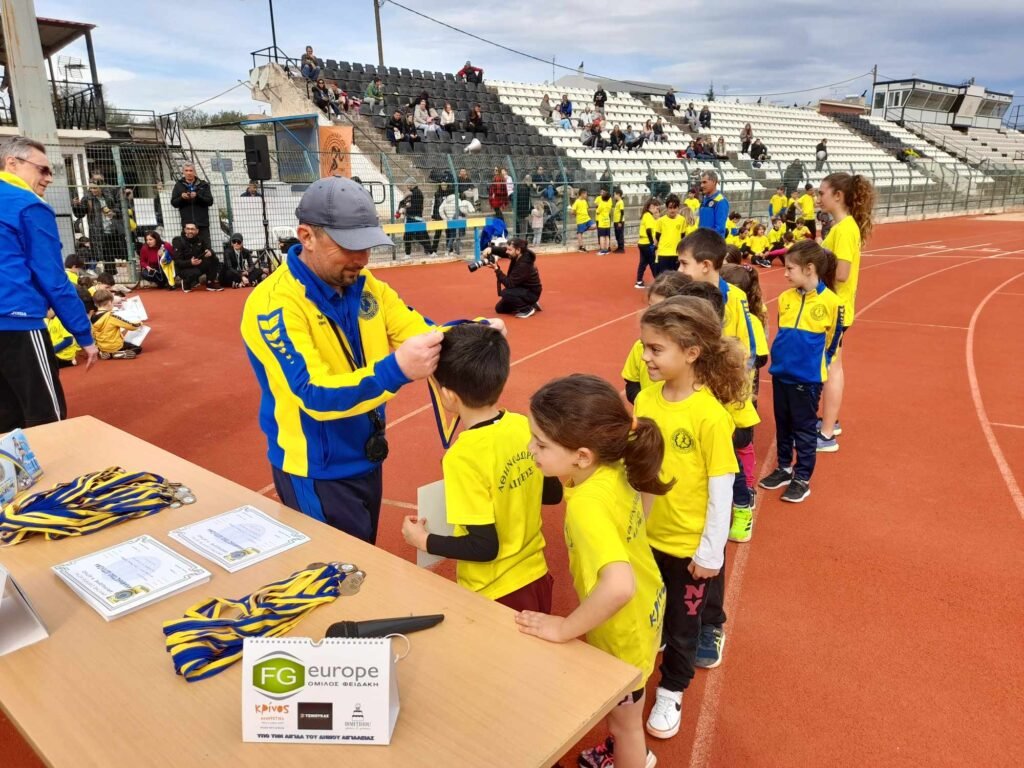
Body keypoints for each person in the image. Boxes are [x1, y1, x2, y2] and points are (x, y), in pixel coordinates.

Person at [242, 176, 505, 543]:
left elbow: (422, 331)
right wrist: (394, 371)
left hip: (367, 456)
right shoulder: (273, 306)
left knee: (365, 556)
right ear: (306, 236)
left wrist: (477, 331)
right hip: (316, 470)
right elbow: (313, 394)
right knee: (337, 568)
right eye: (349, 246)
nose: (362, 259)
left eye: (367, 245)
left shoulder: (366, 286)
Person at [518, 374, 669, 768]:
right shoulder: (615, 461)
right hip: (647, 606)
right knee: (625, 715)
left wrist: (564, 628)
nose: (530, 448)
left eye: (541, 443)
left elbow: (618, 587)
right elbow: (645, 500)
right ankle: (618, 750)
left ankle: (629, 756)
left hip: (624, 630)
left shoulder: (586, 505)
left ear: (582, 456)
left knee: (626, 725)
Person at [634, 297, 746, 742]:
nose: (645, 356)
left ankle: (672, 689)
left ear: (691, 353)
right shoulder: (645, 399)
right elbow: (638, 469)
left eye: (656, 349)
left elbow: (721, 490)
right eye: (644, 346)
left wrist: (710, 553)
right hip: (647, 538)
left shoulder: (710, 416)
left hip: (688, 548)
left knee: (684, 628)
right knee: (650, 612)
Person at [402, 323, 559, 608]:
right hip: (536, 574)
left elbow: (484, 547)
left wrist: (423, 540)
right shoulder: (523, 425)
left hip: (494, 592)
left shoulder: (463, 456)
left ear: (448, 395)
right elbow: (552, 493)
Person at [0, 137, 99, 429]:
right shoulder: (28, 205)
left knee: (5, 417)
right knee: (46, 418)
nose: (49, 177)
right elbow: (53, 278)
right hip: (18, 322)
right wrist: (84, 335)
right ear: (12, 163)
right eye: (42, 169)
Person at [677, 229, 760, 545]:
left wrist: (735, 386)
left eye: (684, 263)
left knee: (728, 460)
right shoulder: (684, 297)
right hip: (696, 391)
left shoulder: (735, 298)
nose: (679, 269)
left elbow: (748, 348)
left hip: (724, 393)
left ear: (706, 265)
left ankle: (741, 507)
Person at [760, 241, 843, 502]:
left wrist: (821, 362)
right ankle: (784, 468)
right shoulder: (786, 298)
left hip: (807, 379)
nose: (785, 273)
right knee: (783, 424)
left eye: (790, 268)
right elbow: (783, 330)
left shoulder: (832, 302)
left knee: (804, 429)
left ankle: (802, 477)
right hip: (781, 373)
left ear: (809, 268)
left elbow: (834, 339)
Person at [817, 172, 876, 452]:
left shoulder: (844, 230)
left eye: (822, 193)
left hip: (835, 310)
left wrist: (812, 268)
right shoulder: (843, 227)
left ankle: (827, 433)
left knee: (831, 368)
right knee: (832, 366)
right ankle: (830, 421)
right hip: (836, 308)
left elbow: (841, 273)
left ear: (838, 196)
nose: (818, 198)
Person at [623, 271, 692, 400]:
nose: (652, 314)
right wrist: (647, 403)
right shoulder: (640, 346)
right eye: (650, 307)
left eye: (661, 309)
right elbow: (632, 383)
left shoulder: (692, 352)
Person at [72, 182, 124, 275]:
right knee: (98, 254)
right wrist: (76, 206)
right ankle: (94, 270)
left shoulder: (108, 196)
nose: (93, 190)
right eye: (91, 188)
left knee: (111, 254)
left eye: (95, 188)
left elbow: (118, 207)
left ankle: (110, 274)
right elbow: (80, 214)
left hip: (112, 229)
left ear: (100, 188)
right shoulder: (87, 198)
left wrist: (113, 212)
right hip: (97, 231)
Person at [485, 237, 542, 319]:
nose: (507, 251)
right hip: (521, 288)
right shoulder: (518, 254)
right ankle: (530, 304)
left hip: (531, 292)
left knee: (506, 293)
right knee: (499, 309)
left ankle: (527, 309)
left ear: (518, 250)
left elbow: (509, 284)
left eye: (509, 250)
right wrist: (491, 249)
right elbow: (504, 251)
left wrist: (496, 269)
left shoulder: (524, 264)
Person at [170, 163, 214, 249]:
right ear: (183, 172)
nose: (189, 173)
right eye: (186, 171)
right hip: (187, 224)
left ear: (194, 172)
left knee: (206, 249)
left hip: (202, 224)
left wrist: (198, 196)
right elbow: (174, 203)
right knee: (186, 249)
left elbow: (210, 201)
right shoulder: (178, 185)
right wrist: (182, 198)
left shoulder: (203, 184)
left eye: (191, 170)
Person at [90, 288, 142, 360]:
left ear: (95, 304)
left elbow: (93, 333)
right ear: (109, 302)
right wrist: (139, 323)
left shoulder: (92, 316)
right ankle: (118, 353)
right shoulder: (111, 316)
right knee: (138, 348)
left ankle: (102, 352)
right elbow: (131, 326)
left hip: (101, 346)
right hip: (115, 345)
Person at [172, 223, 223, 292]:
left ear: (197, 231)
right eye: (188, 229)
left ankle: (210, 283)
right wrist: (190, 262)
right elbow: (177, 261)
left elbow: (209, 249)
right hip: (184, 268)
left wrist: (210, 252)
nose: (190, 231)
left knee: (213, 259)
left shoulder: (200, 239)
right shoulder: (178, 241)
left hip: (197, 265)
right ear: (184, 230)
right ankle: (186, 282)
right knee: (194, 272)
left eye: (192, 229)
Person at [396, 182, 431, 257]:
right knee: (409, 236)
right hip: (411, 218)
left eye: (408, 184)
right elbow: (403, 203)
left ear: (412, 184)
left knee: (416, 236)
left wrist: (405, 210)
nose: (407, 186)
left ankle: (430, 251)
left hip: (415, 218)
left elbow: (415, 207)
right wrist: (401, 210)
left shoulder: (416, 193)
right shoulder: (411, 193)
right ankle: (408, 254)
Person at [654, 193, 685, 274]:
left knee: (676, 278)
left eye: (675, 207)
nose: (672, 210)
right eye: (670, 208)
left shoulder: (682, 220)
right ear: (667, 208)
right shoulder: (660, 221)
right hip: (663, 254)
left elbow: (683, 237)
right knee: (664, 278)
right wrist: (655, 252)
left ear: (678, 208)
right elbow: (657, 238)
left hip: (676, 255)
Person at [635, 197, 661, 288]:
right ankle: (658, 282)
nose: (657, 210)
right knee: (653, 262)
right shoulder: (648, 216)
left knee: (643, 263)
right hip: (646, 243)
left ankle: (639, 281)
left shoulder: (647, 215)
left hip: (642, 242)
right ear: (652, 206)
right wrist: (652, 244)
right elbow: (649, 230)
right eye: (657, 207)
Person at [697, 170, 729, 237]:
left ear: (714, 182)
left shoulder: (721, 201)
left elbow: (719, 228)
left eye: (704, 182)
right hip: (702, 241)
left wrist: (707, 239)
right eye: (701, 183)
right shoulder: (704, 200)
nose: (702, 185)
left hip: (713, 242)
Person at [595, 188, 613, 255]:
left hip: (602, 222)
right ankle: (607, 249)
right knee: (607, 236)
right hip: (607, 221)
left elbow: (597, 212)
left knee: (602, 236)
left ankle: (602, 250)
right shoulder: (608, 204)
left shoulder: (601, 204)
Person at [612, 188, 626, 254]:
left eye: (615, 194)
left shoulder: (621, 202)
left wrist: (620, 222)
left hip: (619, 221)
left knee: (620, 235)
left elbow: (622, 212)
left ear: (618, 195)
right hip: (616, 221)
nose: (614, 196)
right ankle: (619, 247)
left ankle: (621, 248)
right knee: (617, 235)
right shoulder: (617, 202)